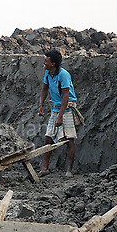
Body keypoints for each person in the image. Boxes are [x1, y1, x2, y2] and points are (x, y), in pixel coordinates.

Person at [38, 49, 78, 177]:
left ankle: (70, 170)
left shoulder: (63, 75)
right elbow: (44, 89)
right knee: (48, 137)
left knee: (70, 139)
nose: (44, 62)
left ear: (53, 64)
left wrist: (61, 116)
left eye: (46, 61)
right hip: (56, 108)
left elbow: (66, 95)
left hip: (67, 109)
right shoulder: (48, 73)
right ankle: (45, 168)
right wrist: (41, 105)